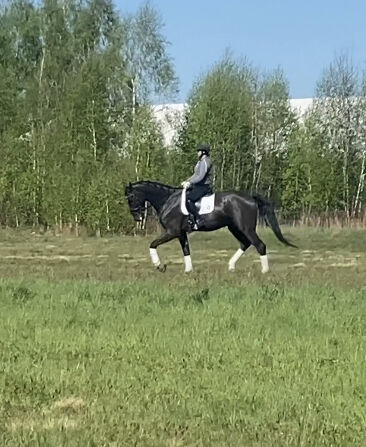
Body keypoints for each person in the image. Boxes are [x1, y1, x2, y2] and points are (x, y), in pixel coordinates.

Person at [181, 143, 213, 230]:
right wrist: (187, 181)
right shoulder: (200, 162)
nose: (197, 153)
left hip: (204, 186)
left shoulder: (206, 161)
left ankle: (199, 219)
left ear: (203, 152)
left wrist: (190, 182)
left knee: (189, 199)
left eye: (199, 151)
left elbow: (201, 176)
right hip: (198, 185)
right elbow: (195, 174)